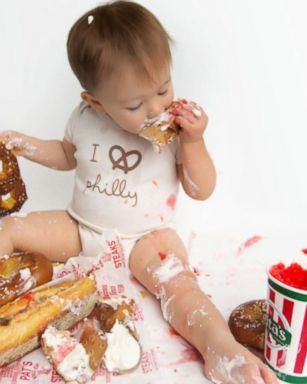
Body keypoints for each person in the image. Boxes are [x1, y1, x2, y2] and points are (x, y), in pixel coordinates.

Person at [0, 2, 277, 383]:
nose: (154, 108)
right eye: (134, 104)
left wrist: (194, 141)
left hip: (149, 238)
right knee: (10, 228)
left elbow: (202, 189)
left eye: (163, 89)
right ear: (95, 101)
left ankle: (221, 349)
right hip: (82, 228)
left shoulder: (177, 127)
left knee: (181, 289)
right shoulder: (83, 119)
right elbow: (67, 155)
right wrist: (23, 144)